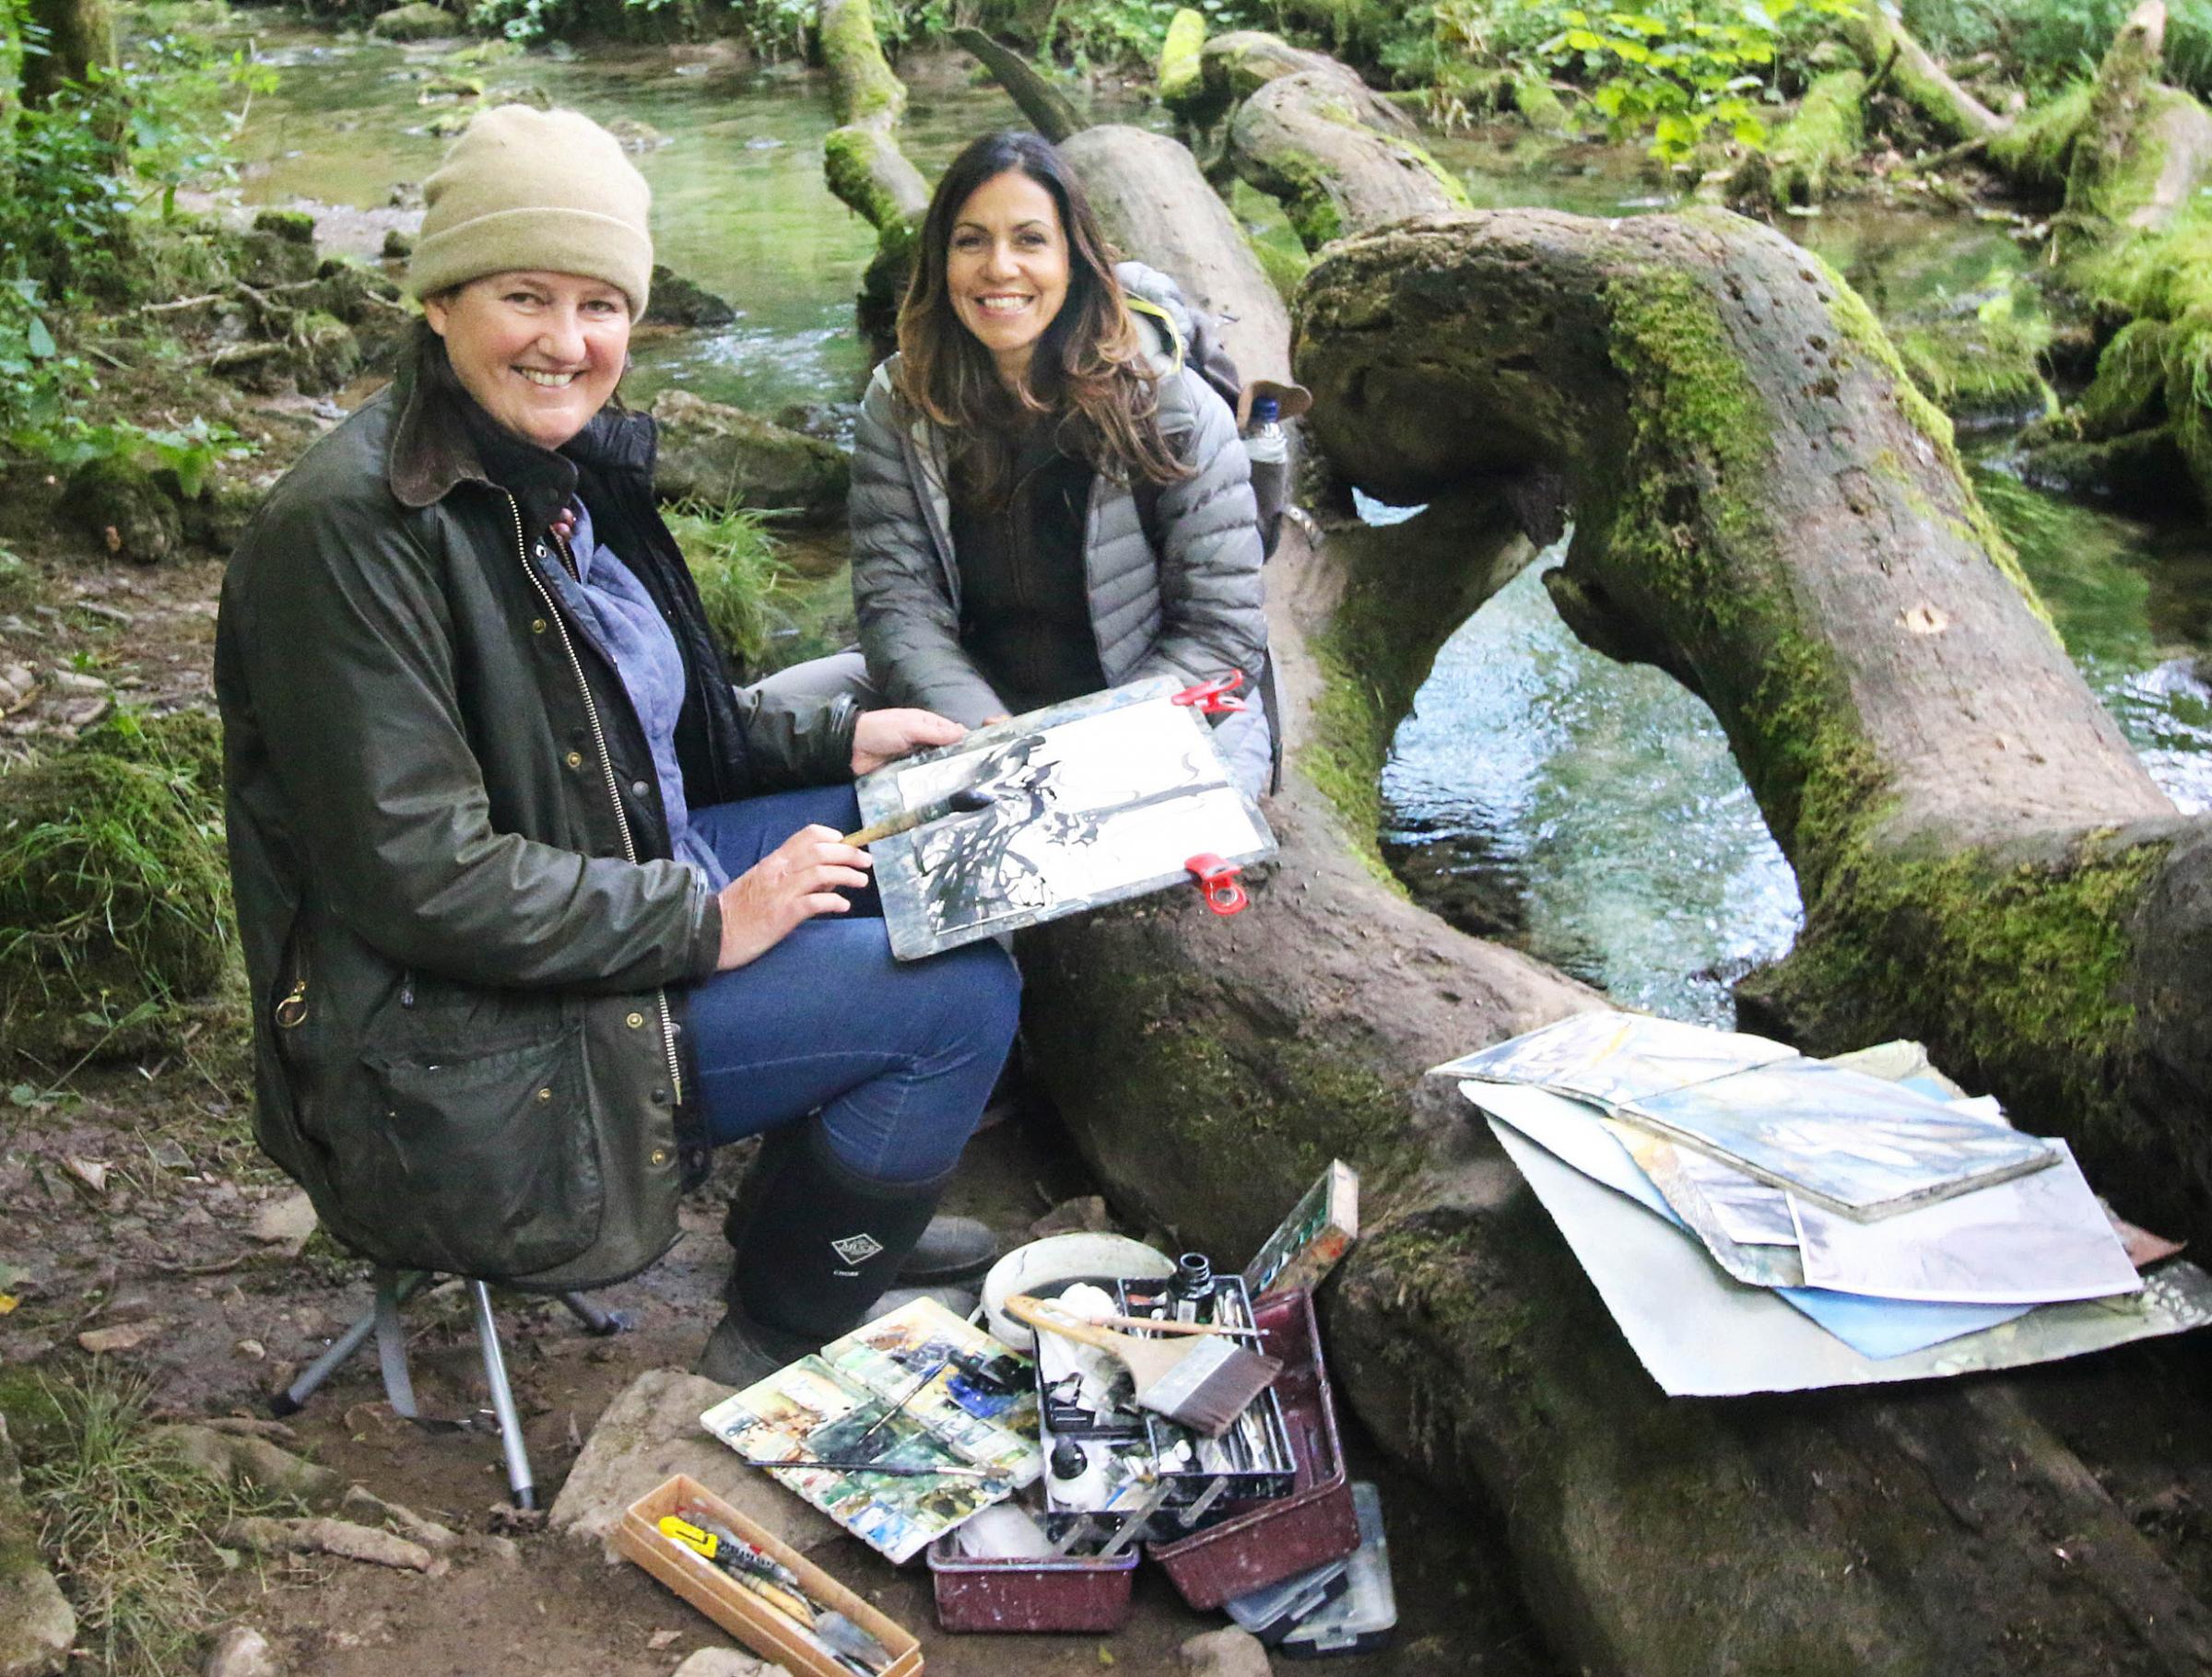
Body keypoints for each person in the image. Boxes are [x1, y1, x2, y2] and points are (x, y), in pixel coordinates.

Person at [213, 105, 1019, 1390]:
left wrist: (844, 738)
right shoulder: (348, 537)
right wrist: (709, 921)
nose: (569, 342)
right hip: (457, 1047)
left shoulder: (560, 469)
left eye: (602, 305)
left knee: (949, 861)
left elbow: (650, 729)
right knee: (959, 1000)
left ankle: (806, 1231)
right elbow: (423, 879)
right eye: (524, 296)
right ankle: (784, 1327)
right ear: (439, 301)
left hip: (611, 887)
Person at [775, 128, 1271, 793]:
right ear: (941, 260)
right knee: (739, 729)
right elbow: (899, 609)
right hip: (967, 714)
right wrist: (993, 742)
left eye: (1030, 240)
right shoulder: (901, 400)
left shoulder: (1172, 405)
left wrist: (1087, 749)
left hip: (1154, 716)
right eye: (971, 240)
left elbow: (1219, 634)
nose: (999, 268)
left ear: (1076, 260)